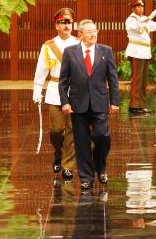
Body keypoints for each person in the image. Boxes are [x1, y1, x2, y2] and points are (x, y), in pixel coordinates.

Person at [58, 19, 120, 190]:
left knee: (102, 136)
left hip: (100, 102)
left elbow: (112, 78)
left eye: (95, 30)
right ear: (80, 35)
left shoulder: (105, 51)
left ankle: (100, 167)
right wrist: (65, 102)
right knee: (81, 141)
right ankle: (86, 177)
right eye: (89, 31)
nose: (93, 34)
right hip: (78, 103)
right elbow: (63, 81)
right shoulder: (70, 52)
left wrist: (115, 101)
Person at [32, 7, 79, 179]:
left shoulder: (79, 43)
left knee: (71, 129)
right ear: (56, 26)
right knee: (57, 130)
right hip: (55, 91)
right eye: (62, 22)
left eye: (69, 22)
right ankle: (58, 153)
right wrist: (37, 91)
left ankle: (68, 165)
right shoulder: (48, 46)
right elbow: (41, 71)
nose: (66, 25)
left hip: (74, 91)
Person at [125, 0, 156, 115]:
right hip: (136, 52)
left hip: (144, 52)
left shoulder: (144, 18)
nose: (140, 8)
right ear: (133, 8)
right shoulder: (131, 19)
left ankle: (141, 105)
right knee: (137, 80)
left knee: (144, 80)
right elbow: (135, 28)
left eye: (141, 6)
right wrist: (147, 20)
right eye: (137, 6)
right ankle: (134, 106)